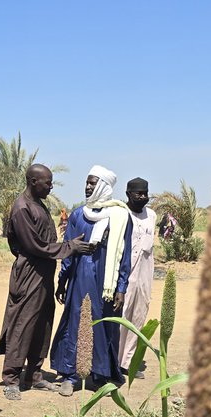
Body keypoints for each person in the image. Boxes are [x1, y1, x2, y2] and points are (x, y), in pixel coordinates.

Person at [0, 164, 81, 400]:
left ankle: (34, 374)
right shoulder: (22, 208)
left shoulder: (38, 204)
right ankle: (11, 378)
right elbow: (34, 245)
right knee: (23, 322)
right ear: (33, 182)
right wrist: (70, 247)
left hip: (43, 273)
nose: (51, 187)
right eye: (47, 183)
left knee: (42, 323)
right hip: (29, 273)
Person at [50, 165, 133, 394]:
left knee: (104, 325)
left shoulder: (120, 216)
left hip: (106, 283)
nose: (87, 187)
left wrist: (122, 287)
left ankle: (101, 373)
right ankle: (70, 375)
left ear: (104, 186)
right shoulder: (78, 214)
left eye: (92, 183)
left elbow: (124, 254)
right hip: (81, 279)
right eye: (87, 182)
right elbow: (68, 249)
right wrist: (62, 280)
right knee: (77, 322)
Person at [118, 178, 156, 377]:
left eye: (145, 193)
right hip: (125, 271)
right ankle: (113, 361)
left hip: (145, 272)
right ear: (128, 194)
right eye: (138, 194)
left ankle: (128, 361)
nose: (143, 197)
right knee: (122, 314)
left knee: (139, 314)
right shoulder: (122, 215)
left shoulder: (152, 215)